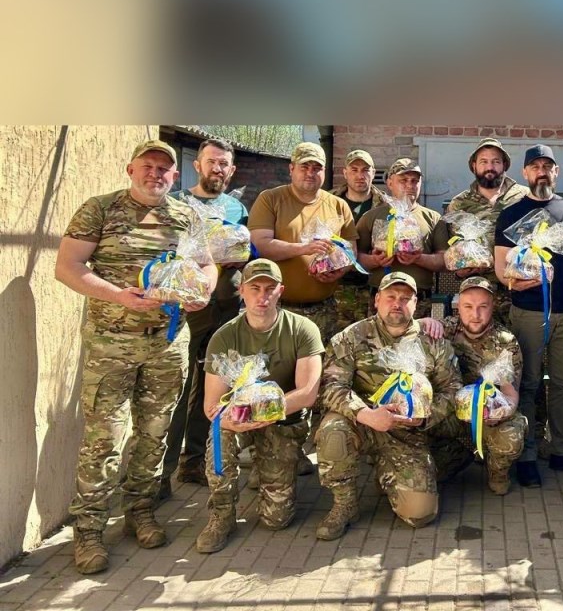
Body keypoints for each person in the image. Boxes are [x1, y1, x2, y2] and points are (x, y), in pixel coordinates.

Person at [55, 140, 217, 574]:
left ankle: (140, 511)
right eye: (148, 166)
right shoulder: (100, 209)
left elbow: (207, 264)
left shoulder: (186, 215)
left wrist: (203, 290)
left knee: (155, 433)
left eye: (164, 169)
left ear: (175, 176)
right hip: (111, 344)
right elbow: (68, 266)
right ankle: (89, 529)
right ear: (131, 169)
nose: (155, 174)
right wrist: (118, 296)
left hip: (166, 343)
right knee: (104, 438)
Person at [315, 272, 463, 539]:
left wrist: (425, 417)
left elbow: (452, 389)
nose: (397, 303)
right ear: (377, 300)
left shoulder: (433, 342)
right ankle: (344, 503)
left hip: (408, 431)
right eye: (391, 297)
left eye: (405, 298)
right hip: (363, 423)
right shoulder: (351, 337)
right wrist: (365, 414)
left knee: (420, 514)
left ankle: (388, 470)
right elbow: (331, 387)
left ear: (416, 304)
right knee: (332, 431)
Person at [194, 259, 323, 553]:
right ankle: (221, 515)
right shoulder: (224, 336)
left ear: (281, 291)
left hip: (284, 421)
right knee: (219, 437)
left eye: (269, 289)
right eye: (255, 289)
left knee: (276, 519)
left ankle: (271, 463)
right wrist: (232, 419)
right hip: (238, 420)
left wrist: (261, 411)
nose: (262, 296)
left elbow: (307, 394)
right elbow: (212, 405)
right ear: (241, 290)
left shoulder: (302, 329)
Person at [494, 144, 563, 487]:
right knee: (529, 382)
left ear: (556, 172)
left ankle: (562, 448)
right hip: (529, 311)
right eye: (535, 166)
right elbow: (501, 269)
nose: (542, 172)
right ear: (525, 173)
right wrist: (518, 282)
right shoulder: (511, 213)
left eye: (548, 166)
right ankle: (527, 453)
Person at [162, 138, 248, 497]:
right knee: (178, 387)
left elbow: (244, 253)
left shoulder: (236, 207)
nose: (217, 168)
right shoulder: (176, 203)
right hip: (187, 311)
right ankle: (161, 474)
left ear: (232, 170)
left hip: (226, 308)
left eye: (223, 163)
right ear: (197, 165)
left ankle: (194, 460)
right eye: (211, 161)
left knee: (214, 385)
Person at [249, 141, 358, 346]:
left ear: (324, 171)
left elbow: (351, 250)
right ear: (291, 169)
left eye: (316, 168)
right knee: (279, 362)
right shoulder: (270, 199)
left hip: (325, 309)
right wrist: (304, 249)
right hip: (279, 308)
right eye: (304, 167)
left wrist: (339, 270)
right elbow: (260, 246)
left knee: (321, 362)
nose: (310, 173)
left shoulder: (338, 205)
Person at [437, 276, 528, 495]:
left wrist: (503, 412)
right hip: (451, 411)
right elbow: (411, 329)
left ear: (493, 306)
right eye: (468, 306)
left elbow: (510, 394)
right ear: (458, 306)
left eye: (483, 307)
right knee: (431, 464)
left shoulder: (505, 341)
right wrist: (425, 322)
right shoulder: (446, 329)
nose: (475, 314)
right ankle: (459, 455)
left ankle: (497, 471)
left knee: (511, 433)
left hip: (488, 414)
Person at [446, 138, 529, 324]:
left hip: (519, 292)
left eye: (496, 161)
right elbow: (452, 247)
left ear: (504, 165)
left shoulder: (524, 197)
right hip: (477, 295)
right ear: (474, 166)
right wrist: (460, 271)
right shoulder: (459, 204)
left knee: (519, 339)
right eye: (483, 161)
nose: (489, 167)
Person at [357, 158, 448, 319]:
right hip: (382, 298)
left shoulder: (433, 218)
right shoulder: (371, 217)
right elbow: (355, 257)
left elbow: (444, 260)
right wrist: (375, 260)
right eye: (403, 180)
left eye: (415, 181)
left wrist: (418, 258)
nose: (410, 185)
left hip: (419, 300)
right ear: (390, 183)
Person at [332, 149, 385, 331]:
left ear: (373, 173)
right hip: (336, 287)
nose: (360, 176)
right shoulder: (328, 202)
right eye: (354, 170)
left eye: (365, 170)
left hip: (373, 287)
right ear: (345, 173)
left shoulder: (387, 205)